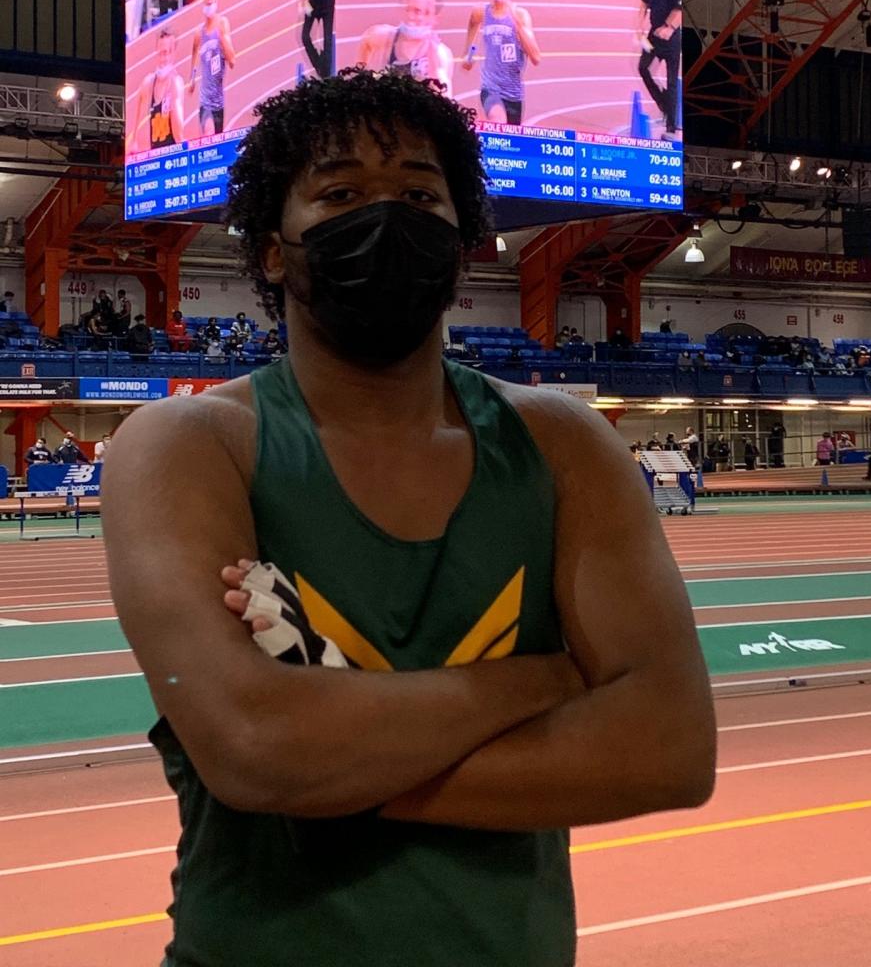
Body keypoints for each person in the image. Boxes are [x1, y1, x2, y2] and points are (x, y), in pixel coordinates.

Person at [102, 69, 715, 967]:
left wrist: (331, 768)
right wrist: (545, 683)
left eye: (420, 194)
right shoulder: (188, 445)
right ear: (274, 250)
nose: (385, 219)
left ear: (463, 241)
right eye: (341, 192)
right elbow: (255, 748)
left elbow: (667, 750)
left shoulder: (561, 445)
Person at [462, 0, 541, 125]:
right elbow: (472, 32)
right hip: (490, 88)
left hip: (514, 93)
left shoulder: (520, 15)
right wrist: (468, 55)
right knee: (498, 121)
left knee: (509, 142)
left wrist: (517, 24)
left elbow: (536, 57)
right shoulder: (480, 12)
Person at [356, 0, 454, 93]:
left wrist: (433, 66)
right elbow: (366, 41)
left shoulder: (440, 55)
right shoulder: (381, 36)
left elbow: (444, 98)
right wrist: (361, 73)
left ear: (434, 18)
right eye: (407, 9)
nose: (410, 16)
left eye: (417, 11)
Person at [637, 0, 682, 138]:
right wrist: (639, 26)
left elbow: (680, 8)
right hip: (654, 34)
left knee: (672, 81)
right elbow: (644, 2)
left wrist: (669, 28)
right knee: (643, 68)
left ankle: (671, 128)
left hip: (672, 39)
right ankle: (663, 103)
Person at [189, 0, 237, 138]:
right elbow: (195, 53)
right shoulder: (198, 33)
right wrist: (192, 78)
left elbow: (232, 61)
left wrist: (223, 38)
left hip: (219, 103)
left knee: (216, 143)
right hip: (205, 102)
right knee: (208, 134)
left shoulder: (223, 24)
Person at [135, 27, 184, 151]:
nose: (164, 58)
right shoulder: (148, 83)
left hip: (173, 158)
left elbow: (178, 135)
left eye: (167, 52)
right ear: (156, 52)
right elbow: (138, 126)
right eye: (161, 53)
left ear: (174, 53)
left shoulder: (176, 83)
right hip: (155, 159)